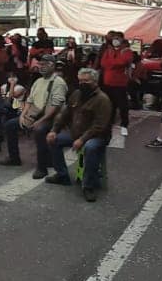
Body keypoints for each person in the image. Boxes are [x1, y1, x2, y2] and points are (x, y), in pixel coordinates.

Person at [46, 68, 112, 202]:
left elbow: (100, 126)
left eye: (86, 81)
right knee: (54, 140)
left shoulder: (102, 99)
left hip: (96, 137)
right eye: (80, 80)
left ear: (95, 82)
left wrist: (82, 139)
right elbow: (64, 114)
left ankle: (88, 185)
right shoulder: (76, 94)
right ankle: (62, 175)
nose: (82, 83)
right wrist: (54, 130)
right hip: (76, 134)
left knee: (90, 148)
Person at [0, 58, 67, 176]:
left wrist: (41, 121)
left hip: (51, 117)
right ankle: (14, 158)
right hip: (35, 114)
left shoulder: (58, 82)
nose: (42, 67)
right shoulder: (38, 81)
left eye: (45, 64)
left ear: (53, 66)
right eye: (40, 64)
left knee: (39, 130)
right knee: (10, 125)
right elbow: (29, 100)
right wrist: (22, 115)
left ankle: (42, 167)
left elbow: (55, 107)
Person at [99, 31, 133, 135]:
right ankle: (109, 123)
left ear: (122, 40)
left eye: (118, 38)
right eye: (114, 38)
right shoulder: (108, 51)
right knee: (109, 104)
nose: (115, 40)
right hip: (107, 82)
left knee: (122, 105)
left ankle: (124, 125)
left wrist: (112, 63)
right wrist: (113, 63)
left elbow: (123, 62)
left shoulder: (126, 51)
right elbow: (103, 63)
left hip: (120, 83)